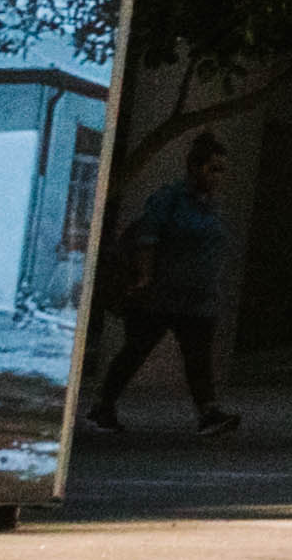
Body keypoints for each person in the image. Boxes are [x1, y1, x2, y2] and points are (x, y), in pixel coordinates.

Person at [91, 136, 244, 437]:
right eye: (213, 169)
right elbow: (148, 237)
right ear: (194, 168)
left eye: (222, 170)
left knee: (198, 355)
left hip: (197, 298)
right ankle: (104, 405)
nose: (218, 177)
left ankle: (208, 412)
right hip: (158, 295)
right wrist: (145, 277)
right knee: (136, 350)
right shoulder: (170, 198)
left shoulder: (212, 205)